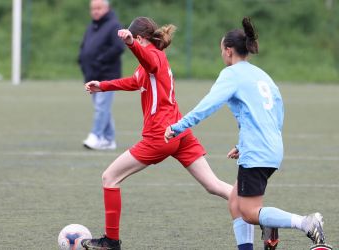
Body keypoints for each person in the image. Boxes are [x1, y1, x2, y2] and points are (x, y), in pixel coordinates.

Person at [165, 17, 328, 250]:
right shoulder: (262, 75)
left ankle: (305, 222)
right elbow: (275, 113)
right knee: (235, 201)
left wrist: (177, 127)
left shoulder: (231, 74)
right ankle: (260, 234)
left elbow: (207, 106)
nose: (221, 54)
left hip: (258, 151)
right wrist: (243, 145)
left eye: (221, 49)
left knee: (250, 212)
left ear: (229, 51)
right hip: (271, 147)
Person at [80, 17, 233, 250]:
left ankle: (111, 241)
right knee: (214, 185)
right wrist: (103, 85)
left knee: (109, 177)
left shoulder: (153, 57)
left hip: (159, 136)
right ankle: (260, 211)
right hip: (180, 132)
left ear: (141, 38)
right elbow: (135, 81)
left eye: (134, 41)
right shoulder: (153, 60)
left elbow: (147, 60)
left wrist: (131, 44)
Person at [78, 0, 124, 150]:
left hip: (107, 75)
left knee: (101, 107)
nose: (95, 11)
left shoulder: (114, 26)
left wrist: (100, 61)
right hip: (92, 74)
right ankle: (109, 139)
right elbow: (85, 46)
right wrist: (82, 60)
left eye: (99, 8)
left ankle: (96, 136)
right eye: (93, 9)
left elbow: (118, 47)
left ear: (107, 8)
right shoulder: (92, 26)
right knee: (102, 108)